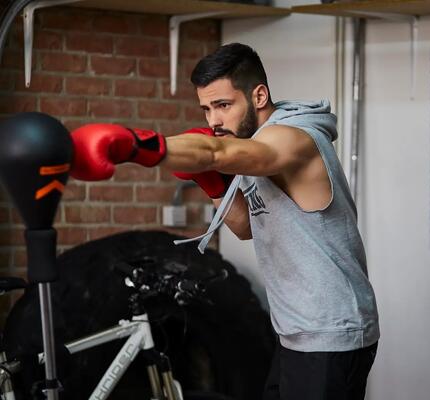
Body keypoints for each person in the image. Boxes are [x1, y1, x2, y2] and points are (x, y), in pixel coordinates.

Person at [70, 42, 380, 400]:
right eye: (205, 109)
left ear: (259, 95)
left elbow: (217, 151)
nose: (213, 121)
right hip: (298, 332)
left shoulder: (293, 139)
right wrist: (213, 183)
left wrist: (133, 147)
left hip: (331, 332)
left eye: (223, 105)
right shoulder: (251, 143)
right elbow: (246, 226)